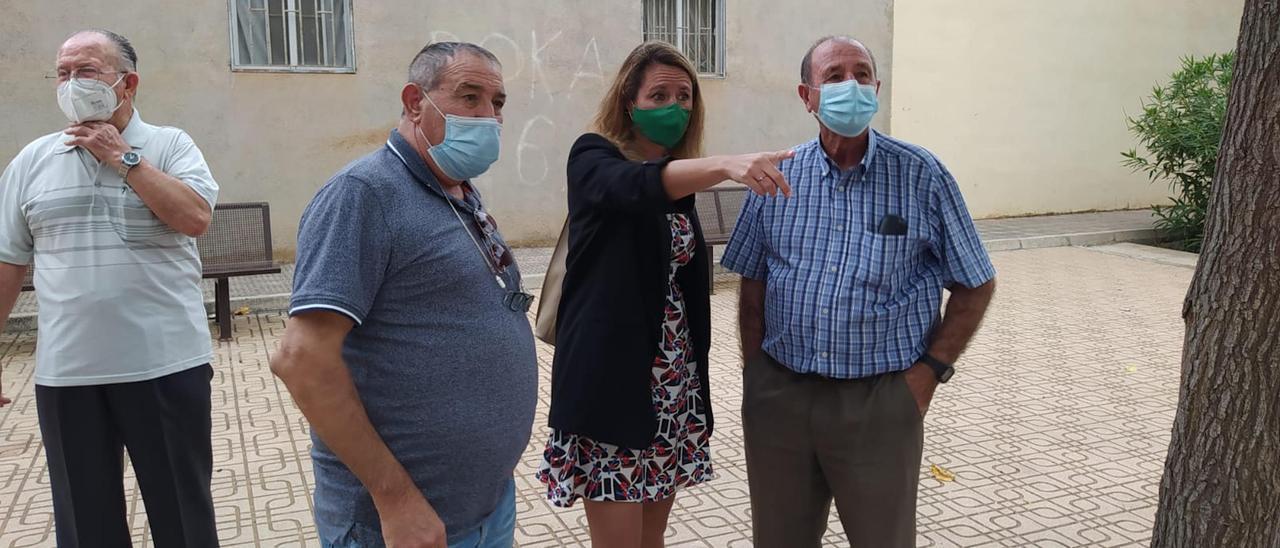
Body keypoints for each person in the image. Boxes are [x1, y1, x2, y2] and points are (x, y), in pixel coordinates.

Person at [721, 36, 998, 547]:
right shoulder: (777, 177)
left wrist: (928, 375)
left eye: (861, 73)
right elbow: (752, 280)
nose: (850, 85)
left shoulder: (922, 175)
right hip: (781, 397)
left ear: (877, 86)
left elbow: (975, 283)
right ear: (807, 96)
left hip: (879, 402)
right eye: (833, 76)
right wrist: (756, 373)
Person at [269, 42, 537, 548]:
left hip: (484, 505)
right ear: (415, 102)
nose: (489, 116)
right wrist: (396, 501)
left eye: (498, 102)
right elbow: (300, 359)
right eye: (470, 97)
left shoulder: (456, 188)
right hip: (401, 524)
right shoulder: (363, 194)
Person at [535, 41, 793, 548]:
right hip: (612, 391)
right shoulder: (593, 156)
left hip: (672, 390)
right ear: (629, 103)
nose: (675, 106)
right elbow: (632, 187)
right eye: (659, 95)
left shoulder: (680, 187)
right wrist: (727, 165)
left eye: (684, 94)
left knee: (650, 539)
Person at [0, 29, 220, 547]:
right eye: (63, 73)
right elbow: (8, 263)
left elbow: (194, 218)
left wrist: (124, 159)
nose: (72, 83)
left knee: (183, 520)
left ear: (128, 83)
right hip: (67, 376)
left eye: (87, 71)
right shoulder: (31, 161)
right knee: (85, 526)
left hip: (166, 368)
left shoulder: (170, 145)